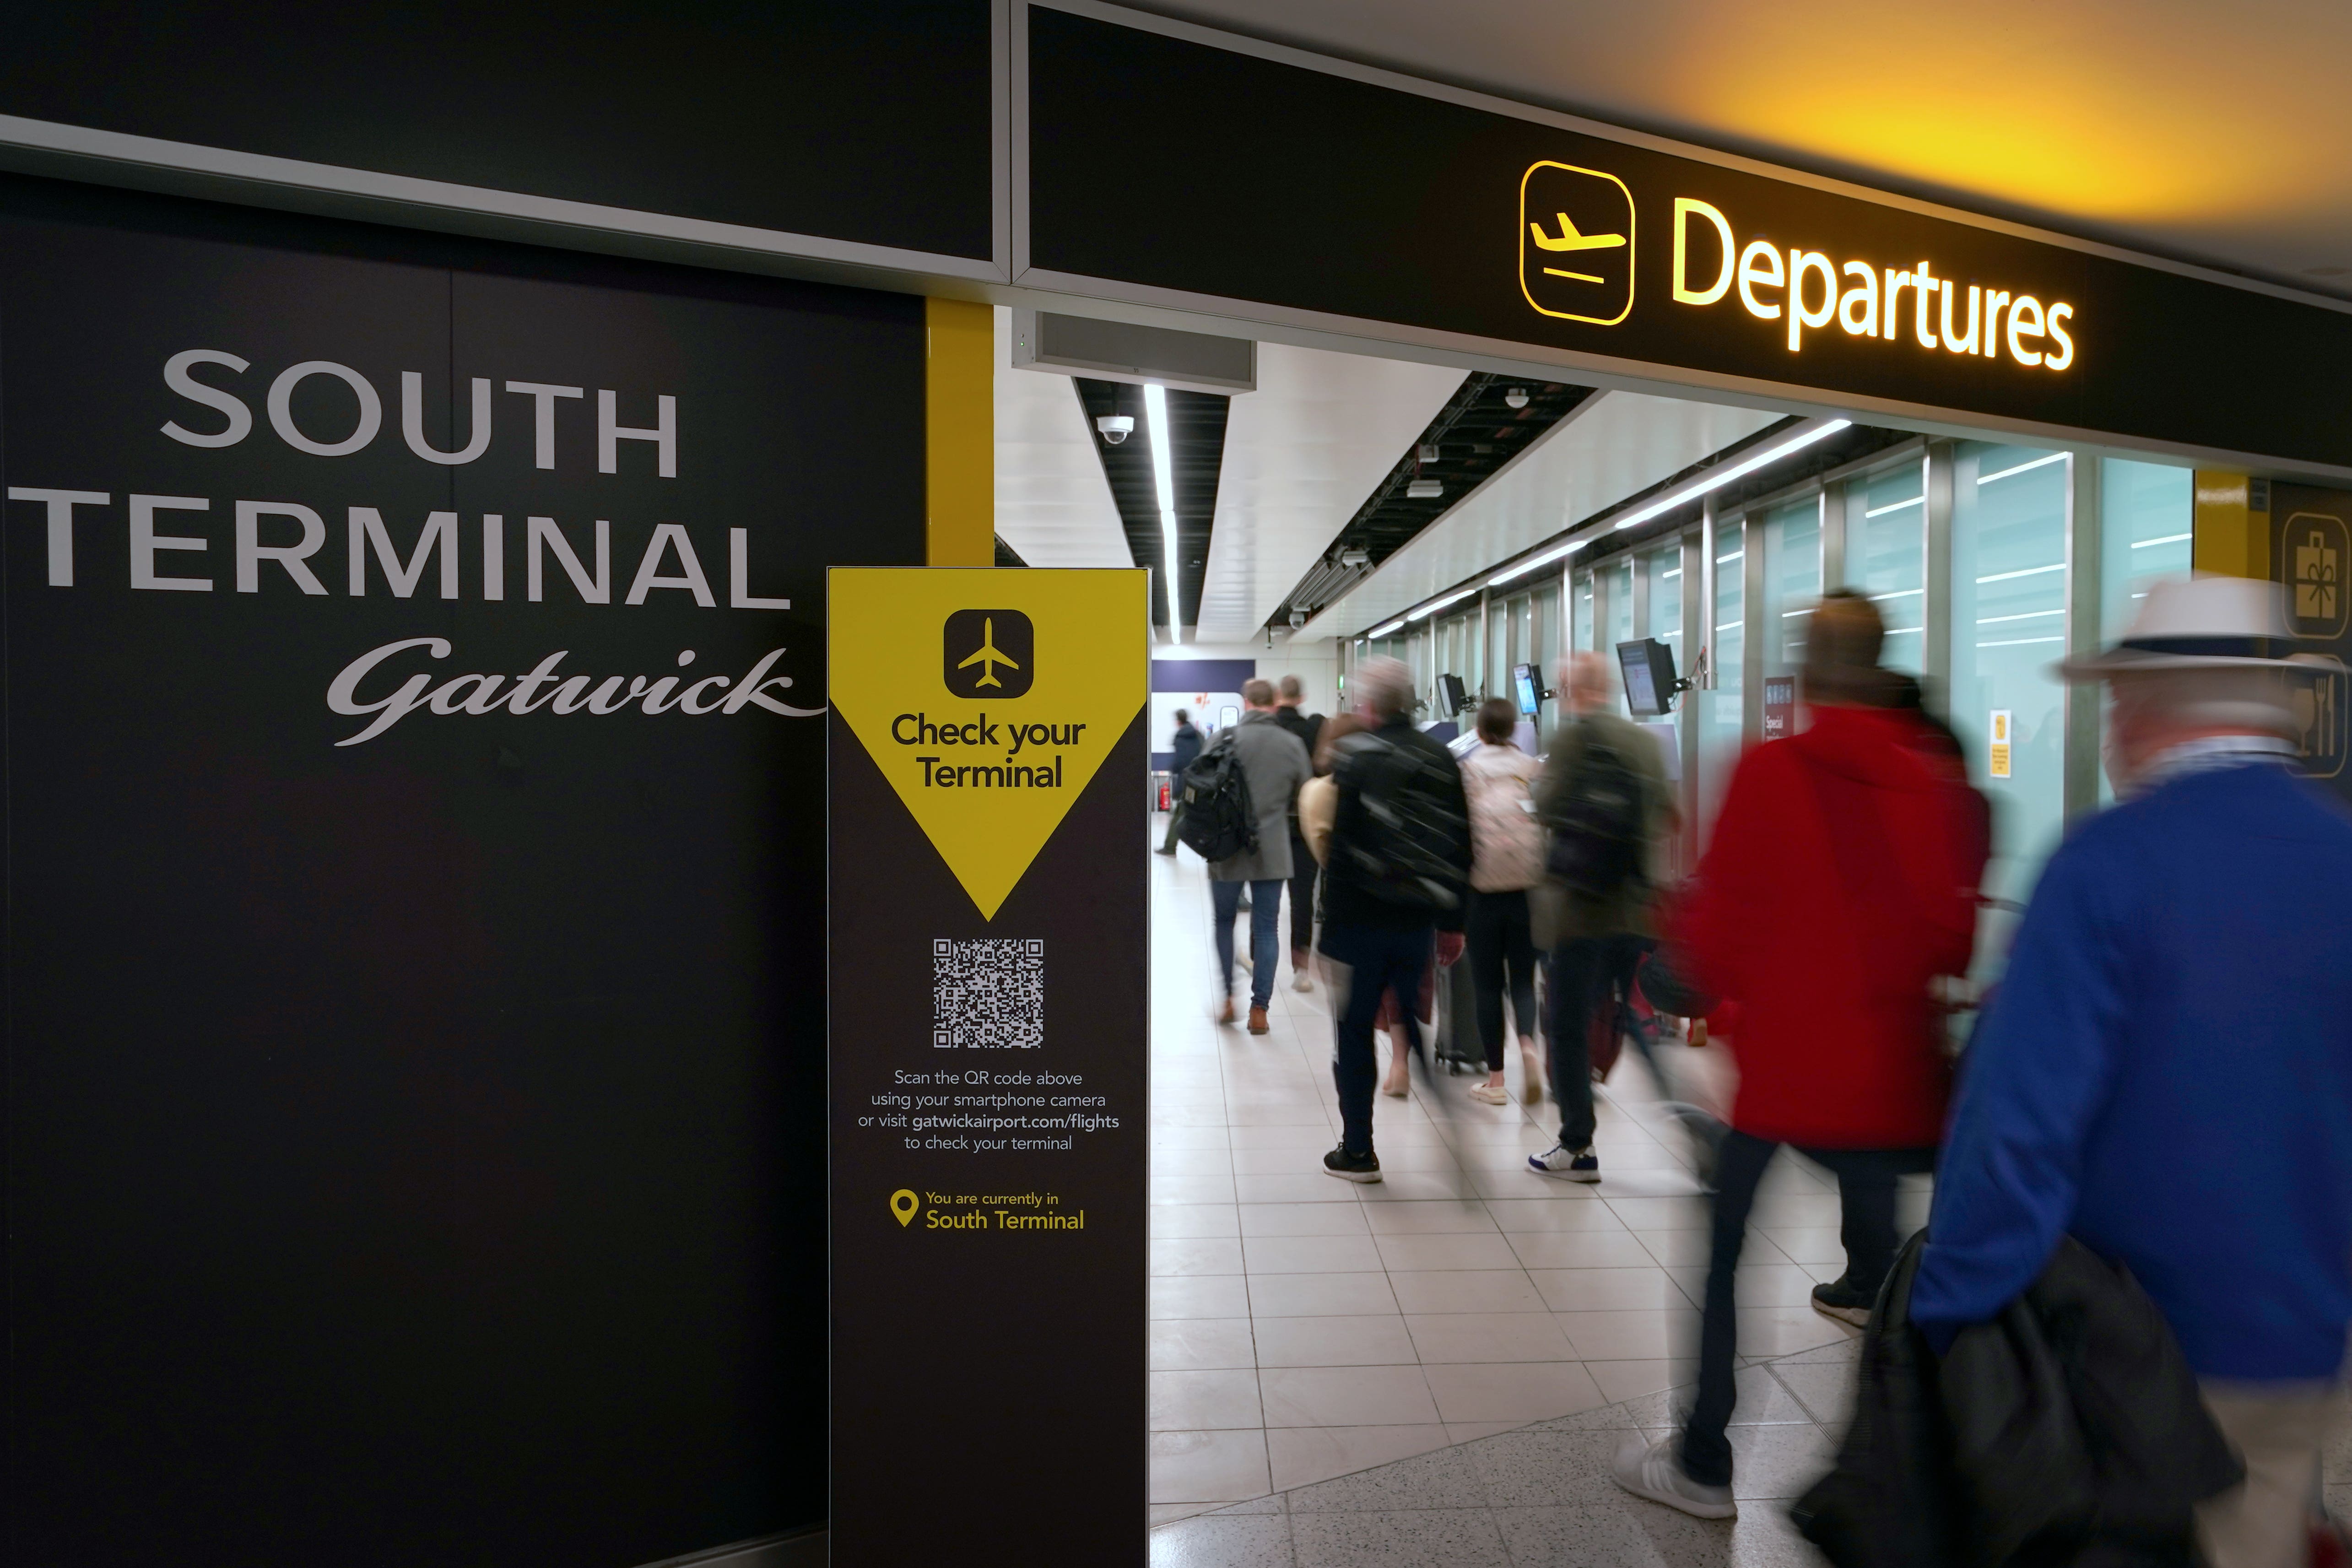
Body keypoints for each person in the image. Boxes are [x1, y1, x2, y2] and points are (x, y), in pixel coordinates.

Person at [1908, 577, 2352, 1568]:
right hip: (2301, 1345)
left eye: (2115, 701)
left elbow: (2016, 1123)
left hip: (2134, 1360)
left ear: (2144, 710)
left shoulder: (2106, 864)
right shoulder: (2341, 856)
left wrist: (1950, 1311)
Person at [1611, 590, 1984, 1520]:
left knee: (1725, 1256)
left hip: (1783, 1081)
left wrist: (1690, 974)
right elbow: (1949, 940)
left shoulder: (1770, 773)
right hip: (1892, 1089)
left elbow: (1718, 936)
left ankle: (1703, 1462)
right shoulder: (1931, 783)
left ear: (1806, 674)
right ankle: (1898, 1472)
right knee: (1888, 1280)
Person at [1318, 657, 1470, 1181]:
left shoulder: (1358, 756)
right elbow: (1459, 842)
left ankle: (1358, 1149)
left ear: (1368, 706)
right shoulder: (1440, 756)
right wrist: (1453, 920)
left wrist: (1326, 929)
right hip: (1417, 919)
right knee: (1409, 1015)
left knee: (1355, 1031)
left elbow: (1341, 850)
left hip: (1360, 921)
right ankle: (1443, 1104)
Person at [1528, 651, 1674, 1182]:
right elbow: (1661, 815)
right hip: (1632, 907)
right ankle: (1687, 1116)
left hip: (1578, 911)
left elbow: (1545, 808)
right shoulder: (1644, 742)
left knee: (1567, 1027)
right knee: (1629, 1017)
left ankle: (1577, 1146)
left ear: (1571, 690)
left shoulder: (1570, 740)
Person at [1207, 680, 1313, 1035]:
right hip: (1272, 846)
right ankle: (1259, 1010)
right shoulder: (1292, 744)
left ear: (1246, 702)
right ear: (1274, 703)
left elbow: (1201, 789)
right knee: (1267, 928)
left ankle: (1227, 999)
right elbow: (1306, 794)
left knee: (1223, 922)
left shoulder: (1223, 738)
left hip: (1226, 848)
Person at [1460, 697, 1547, 1106]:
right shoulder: (1532, 769)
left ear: (1478, 730)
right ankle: (1528, 1046)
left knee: (1487, 986)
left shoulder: (1469, 770)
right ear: (1513, 729)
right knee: (1524, 980)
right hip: (1527, 891)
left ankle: (1495, 1081)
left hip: (1482, 893)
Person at [1271, 675, 1326, 990]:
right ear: (1302, 696)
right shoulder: (1313, 730)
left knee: (1266, 897)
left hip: (1272, 824)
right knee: (1302, 898)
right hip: (1305, 824)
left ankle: (1256, 958)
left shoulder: (1270, 730)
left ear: (1279, 696)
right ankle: (1301, 968)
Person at [1156, 708, 1203, 855]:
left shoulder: (1180, 737)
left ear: (1178, 721)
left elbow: (1180, 762)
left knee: (1179, 814)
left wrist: (1173, 770)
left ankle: (1170, 847)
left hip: (1187, 782)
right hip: (1202, 781)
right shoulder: (1199, 735)